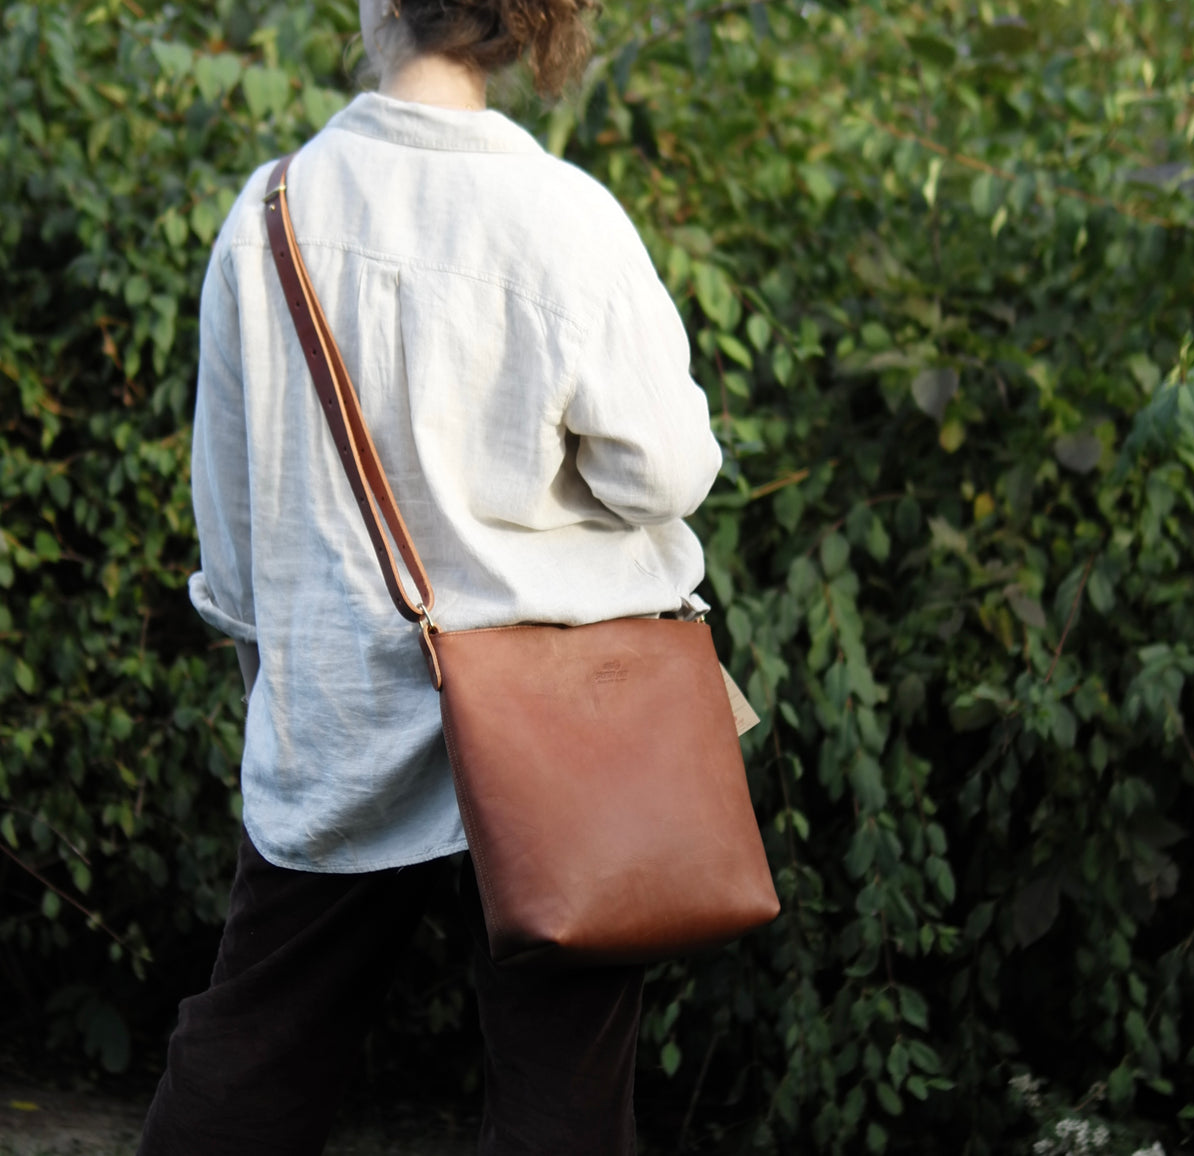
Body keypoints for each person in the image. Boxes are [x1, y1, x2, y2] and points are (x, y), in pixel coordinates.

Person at [138, 0, 723, 1151]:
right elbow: (664, 473)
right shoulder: (566, 220)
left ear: (377, 7)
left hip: (336, 714)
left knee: (252, 1056)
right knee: (562, 1093)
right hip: (567, 734)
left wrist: (276, 674)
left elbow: (233, 529)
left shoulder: (269, 216)